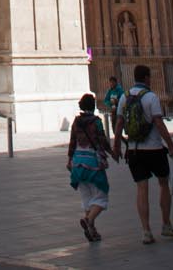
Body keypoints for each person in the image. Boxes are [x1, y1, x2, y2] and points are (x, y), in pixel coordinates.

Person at [111, 63, 173, 245]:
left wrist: (116, 146)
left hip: (134, 150)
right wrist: (170, 145)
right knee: (163, 184)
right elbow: (159, 123)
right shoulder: (151, 97)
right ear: (147, 78)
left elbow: (119, 124)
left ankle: (146, 231)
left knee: (142, 189)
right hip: (154, 149)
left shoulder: (124, 98)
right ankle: (166, 224)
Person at [67, 92, 113, 242]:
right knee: (101, 196)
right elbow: (102, 140)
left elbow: (72, 142)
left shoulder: (76, 122)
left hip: (78, 164)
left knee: (87, 200)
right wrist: (112, 152)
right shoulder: (96, 121)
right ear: (93, 106)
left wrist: (69, 159)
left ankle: (92, 231)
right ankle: (88, 220)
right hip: (92, 163)